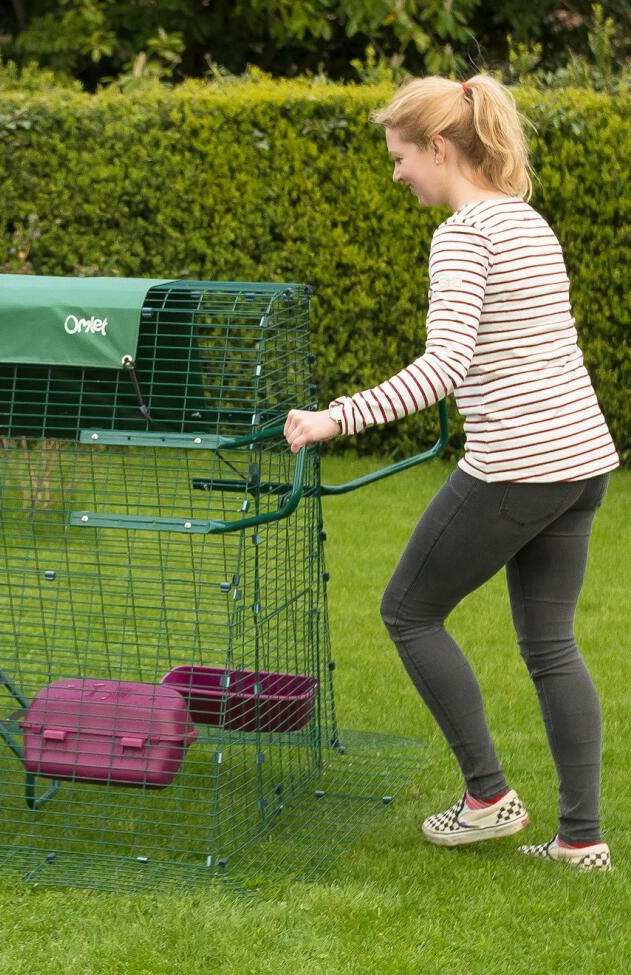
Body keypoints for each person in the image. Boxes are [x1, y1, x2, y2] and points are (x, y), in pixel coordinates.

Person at [284, 74, 619, 871]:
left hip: (517, 466)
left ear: (438, 146)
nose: (396, 172)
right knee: (551, 647)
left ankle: (486, 799)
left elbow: (443, 367)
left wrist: (336, 415)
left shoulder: (464, 234)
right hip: (581, 461)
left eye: (401, 156)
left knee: (406, 609)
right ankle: (581, 840)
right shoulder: (526, 220)